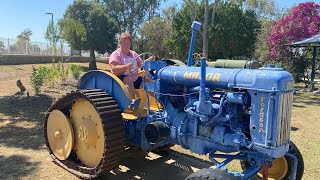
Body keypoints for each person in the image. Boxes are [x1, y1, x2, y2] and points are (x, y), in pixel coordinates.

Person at [108, 32, 154, 102]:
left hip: (134, 77)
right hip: (120, 79)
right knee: (128, 79)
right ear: (120, 43)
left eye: (128, 42)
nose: (126, 44)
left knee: (145, 82)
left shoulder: (134, 54)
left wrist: (148, 60)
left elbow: (140, 64)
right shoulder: (116, 54)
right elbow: (114, 69)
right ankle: (132, 101)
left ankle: (160, 100)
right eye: (124, 42)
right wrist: (126, 67)